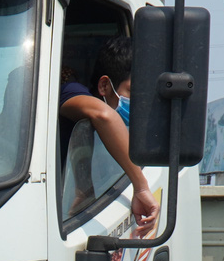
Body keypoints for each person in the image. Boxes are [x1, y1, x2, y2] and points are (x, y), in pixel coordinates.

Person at [59, 36, 159, 230]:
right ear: (104, 86)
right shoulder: (71, 92)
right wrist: (141, 187)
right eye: (133, 92)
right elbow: (104, 116)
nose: (140, 104)